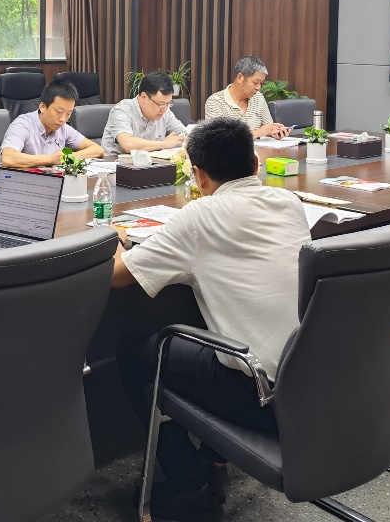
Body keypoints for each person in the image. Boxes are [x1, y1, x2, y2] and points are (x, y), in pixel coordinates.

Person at [114, 117, 310, 521]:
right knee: (211, 328)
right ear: (255, 164)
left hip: (261, 396)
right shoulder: (290, 202)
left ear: (199, 175)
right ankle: (214, 461)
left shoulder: (199, 216)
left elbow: (119, 277)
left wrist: (115, 241)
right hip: (312, 380)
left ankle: (189, 490)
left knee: (135, 350)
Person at [0, 79, 104, 168]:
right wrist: (51, 159)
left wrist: (70, 157)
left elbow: (98, 150)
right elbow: (8, 158)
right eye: (59, 112)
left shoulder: (63, 128)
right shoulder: (22, 124)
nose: (63, 119)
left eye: (68, 113)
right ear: (42, 107)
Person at [102, 71, 188, 155]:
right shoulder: (122, 110)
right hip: (116, 162)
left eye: (168, 103)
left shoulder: (165, 112)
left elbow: (185, 134)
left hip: (152, 163)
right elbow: (127, 144)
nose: (164, 109)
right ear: (144, 97)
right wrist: (164, 143)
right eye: (161, 104)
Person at [203, 55, 289, 139]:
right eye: (255, 82)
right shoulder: (215, 101)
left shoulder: (258, 97)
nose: (258, 87)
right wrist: (256, 133)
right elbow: (216, 138)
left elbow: (267, 127)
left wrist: (274, 132)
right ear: (240, 77)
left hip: (260, 148)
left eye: (261, 83)